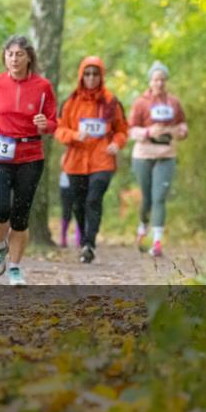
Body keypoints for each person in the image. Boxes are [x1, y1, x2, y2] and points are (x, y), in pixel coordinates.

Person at [0, 35, 57, 285]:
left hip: (30, 155)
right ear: (4, 57)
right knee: (0, 209)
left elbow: (54, 121)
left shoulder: (43, 86)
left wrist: (46, 124)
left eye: (19, 54)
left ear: (29, 57)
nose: (14, 59)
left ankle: (15, 268)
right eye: (10, 54)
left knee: (21, 216)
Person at [54, 57, 128, 263]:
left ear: (101, 76)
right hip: (76, 161)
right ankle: (84, 240)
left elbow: (122, 130)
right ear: (81, 76)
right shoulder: (70, 102)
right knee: (78, 204)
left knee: (93, 199)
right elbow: (59, 130)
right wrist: (75, 135)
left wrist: (117, 143)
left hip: (102, 160)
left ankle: (89, 244)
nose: (91, 78)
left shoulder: (111, 102)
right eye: (87, 74)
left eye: (95, 74)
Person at [128, 60, 188, 257]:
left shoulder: (174, 102)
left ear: (166, 81)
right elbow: (130, 130)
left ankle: (157, 242)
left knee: (159, 197)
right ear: (150, 81)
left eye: (163, 79)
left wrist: (182, 130)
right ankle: (142, 228)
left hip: (166, 154)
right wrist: (147, 132)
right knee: (147, 198)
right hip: (144, 155)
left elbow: (182, 124)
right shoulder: (140, 103)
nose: (159, 83)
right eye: (156, 79)